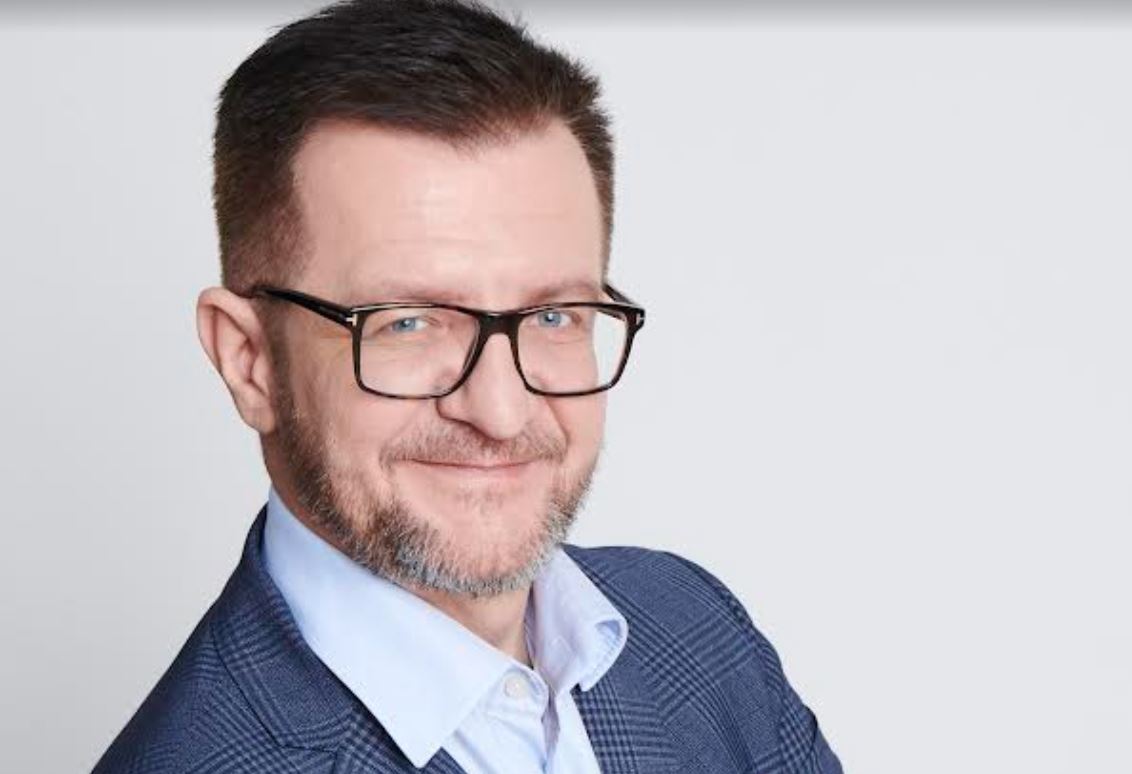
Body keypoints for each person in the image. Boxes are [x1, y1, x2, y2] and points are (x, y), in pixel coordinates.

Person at [93, 1, 842, 772]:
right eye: (408, 322)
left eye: (553, 315)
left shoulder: (695, 627)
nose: (500, 411)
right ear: (249, 359)